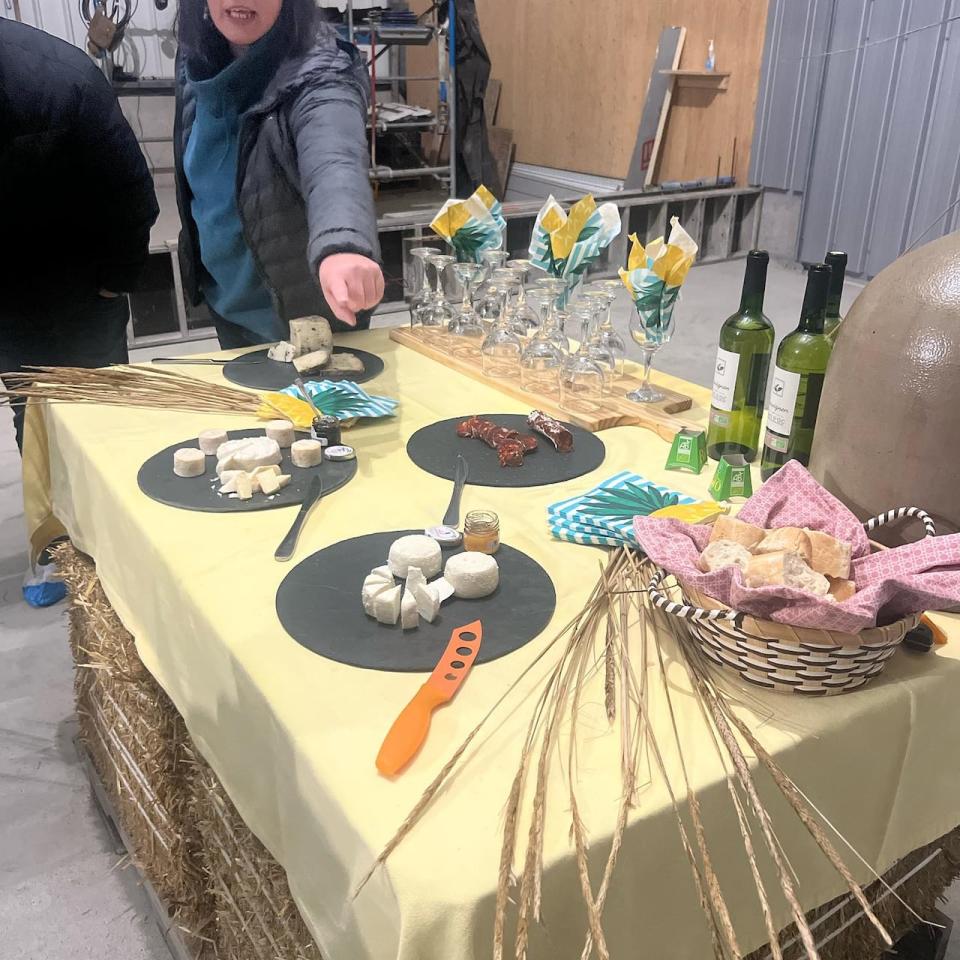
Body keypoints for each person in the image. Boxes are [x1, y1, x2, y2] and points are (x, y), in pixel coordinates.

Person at [174, 0, 385, 349]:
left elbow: (334, 160)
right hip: (228, 307)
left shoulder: (319, 70)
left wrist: (342, 245)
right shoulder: (196, 60)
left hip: (305, 317)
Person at [0, 20, 159, 451]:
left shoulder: (59, 79)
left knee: (101, 421)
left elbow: (131, 189)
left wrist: (115, 282)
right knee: (33, 420)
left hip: (82, 298)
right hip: (10, 310)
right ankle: (57, 515)